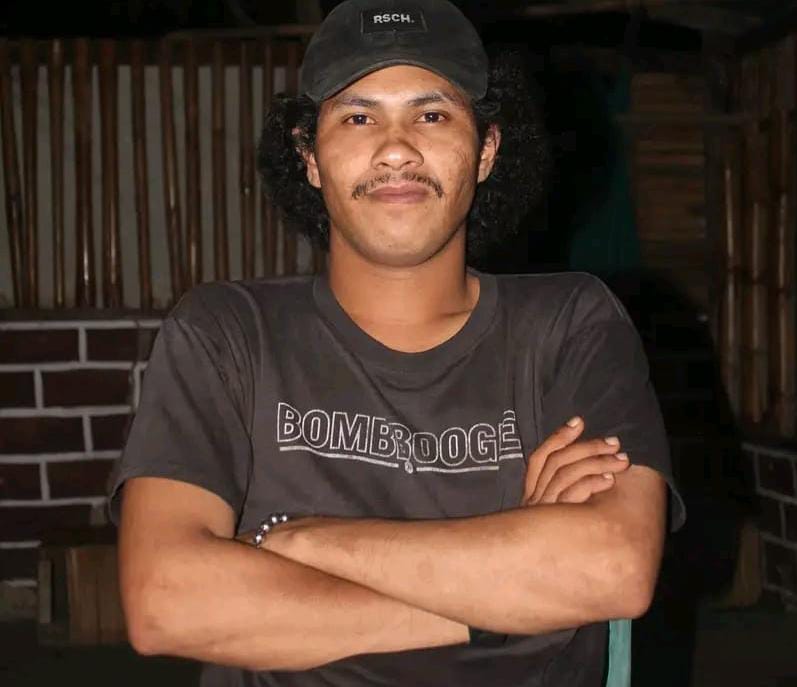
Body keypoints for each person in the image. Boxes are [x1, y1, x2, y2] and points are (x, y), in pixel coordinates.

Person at [110, 1, 685, 685]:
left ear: (486, 150)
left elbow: (612, 567)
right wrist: (502, 597)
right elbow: (165, 602)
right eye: (358, 118)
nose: (395, 149)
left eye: (432, 115)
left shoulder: (570, 323)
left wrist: (303, 541)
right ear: (309, 156)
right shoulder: (227, 332)